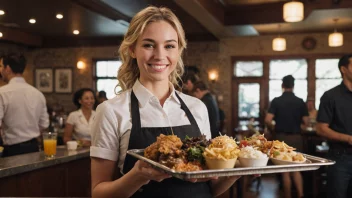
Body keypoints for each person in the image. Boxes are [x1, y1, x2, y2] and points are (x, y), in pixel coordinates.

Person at [90, 6, 240, 198]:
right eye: (148, 45)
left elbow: (208, 188)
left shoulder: (197, 108)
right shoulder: (110, 111)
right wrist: (137, 176)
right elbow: (98, 193)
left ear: (178, 51)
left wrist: (234, 174)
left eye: (169, 46)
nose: (159, 55)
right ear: (132, 50)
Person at [265, 75, 308, 198]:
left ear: (282, 85)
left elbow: (268, 120)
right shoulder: (300, 101)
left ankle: (287, 196)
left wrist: (273, 128)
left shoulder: (277, 101)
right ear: (293, 85)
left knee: (285, 171)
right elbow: (306, 121)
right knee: (296, 169)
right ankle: (300, 195)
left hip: (281, 138)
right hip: (296, 137)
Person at [316, 54, 352, 198]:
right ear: (344, 69)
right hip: (340, 157)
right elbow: (320, 128)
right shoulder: (330, 96)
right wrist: (349, 139)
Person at [0, 54, 49, 157]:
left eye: (0, 66)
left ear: (7, 68)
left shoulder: (2, 93)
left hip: (12, 150)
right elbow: (44, 124)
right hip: (34, 148)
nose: (0, 70)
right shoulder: (38, 93)